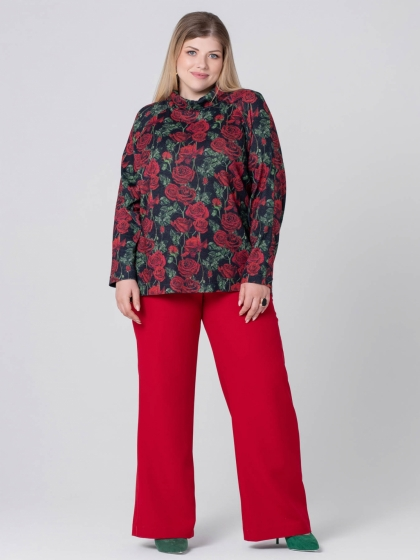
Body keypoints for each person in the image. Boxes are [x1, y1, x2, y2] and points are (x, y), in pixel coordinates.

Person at [109, 11, 320, 555]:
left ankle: (284, 518)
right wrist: (124, 270)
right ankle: (167, 523)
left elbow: (270, 187)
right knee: (162, 407)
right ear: (175, 55)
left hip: (235, 279)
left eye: (213, 54)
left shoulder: (247, 108)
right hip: (159, 278)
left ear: (224, 60)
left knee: (264, 399)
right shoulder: (149, 119)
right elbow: (130, 196)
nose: (202, 63)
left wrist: (259, 271)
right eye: (192, 52)